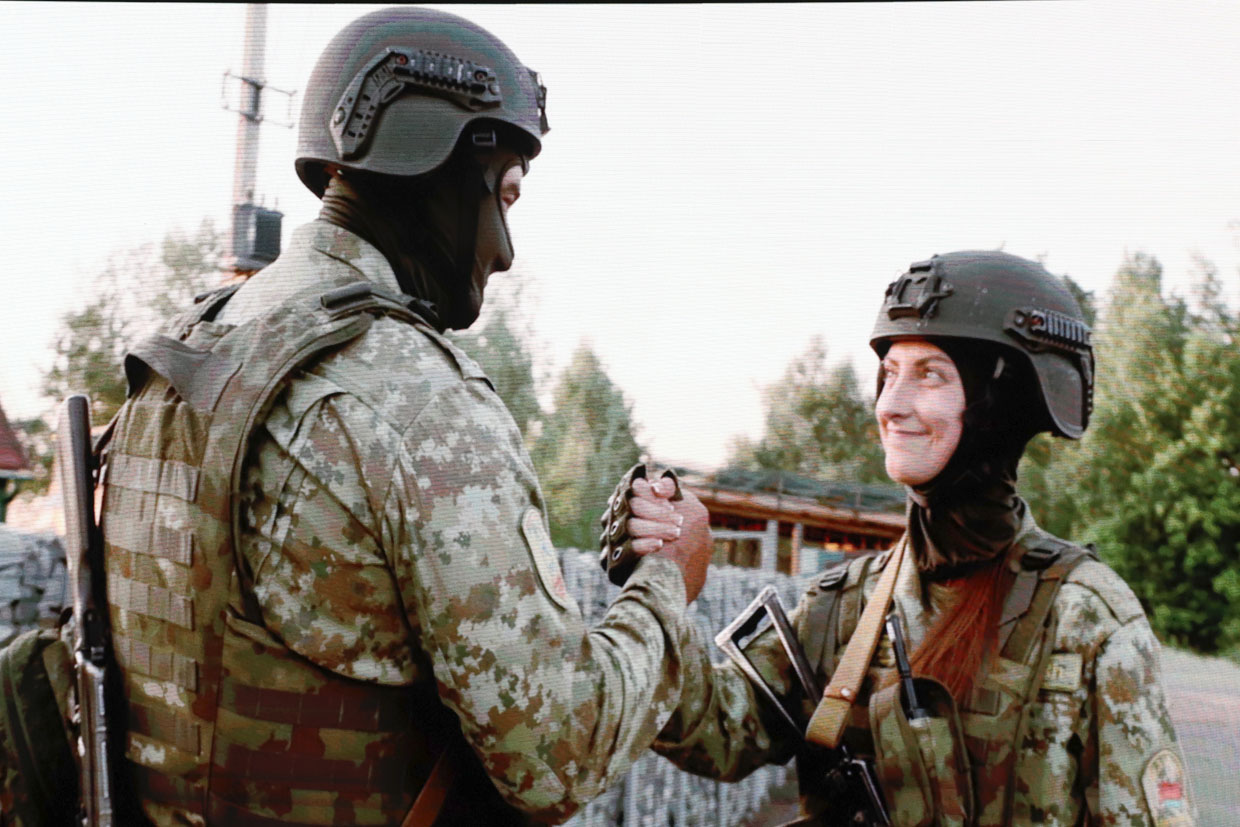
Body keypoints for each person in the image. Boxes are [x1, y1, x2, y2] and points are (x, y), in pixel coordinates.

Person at [97, 7, 710, 826]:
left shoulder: (185, 354)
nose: (505, 251)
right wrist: (671, 581)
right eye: (506, 193)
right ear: (447, 167)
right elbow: (557, 756)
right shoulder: (419, 404)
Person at [625, 251, 1197, 826]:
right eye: (890, 374)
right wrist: (659, 581)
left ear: (998, 403)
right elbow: (718, 732)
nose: (891, 406)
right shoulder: (843, 609)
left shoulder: (1083, 619)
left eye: (930, 375)